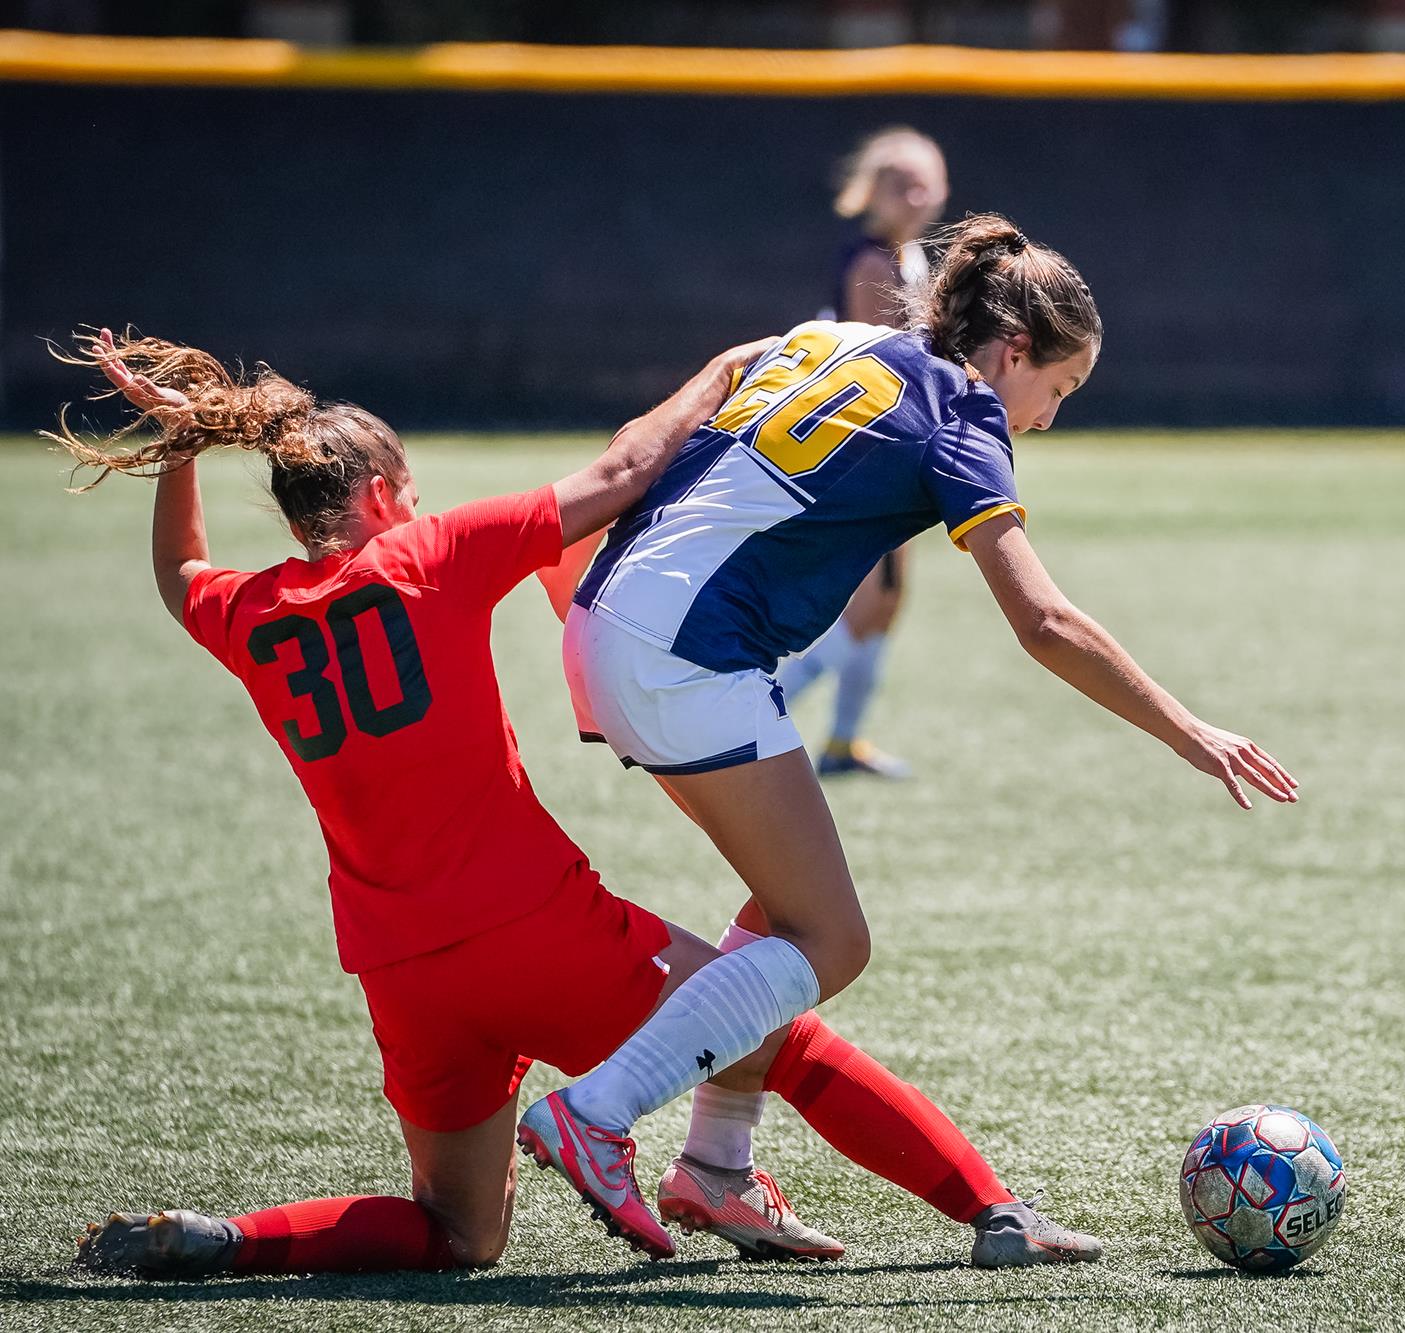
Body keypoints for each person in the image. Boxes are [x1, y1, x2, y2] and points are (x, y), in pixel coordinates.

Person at [55, 329, 1091, 1278]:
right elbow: (621, 474)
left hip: (400, 970)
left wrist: (180, 447)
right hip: (533, 927)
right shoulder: (426, 555)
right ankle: (993, 1206)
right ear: (381, 491)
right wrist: (719, 374)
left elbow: (180, 569)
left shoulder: (247, 611)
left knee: (460, 1232)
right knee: (779, 1027)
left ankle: (228, 1239)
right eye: (408, 490)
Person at [525, 215, 1300, 1246]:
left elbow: (725, 369)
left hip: (612, 618)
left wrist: (590, 519)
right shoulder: (965, 415)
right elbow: (1045, 622)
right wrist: (1186, 728)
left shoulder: (834, 338)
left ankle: (715, 1166)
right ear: (1012, 350)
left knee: (783, 902)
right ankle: (596, 1113)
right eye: (1059, 389)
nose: (1047, 419)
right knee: (831, 940)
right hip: (683, 655)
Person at [780, 126, 952, 779]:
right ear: (871, 191)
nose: (917, 195)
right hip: (865, 453)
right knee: (865, 604)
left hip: (899, 452)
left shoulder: (912, 258)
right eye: (901, 183)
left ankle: (844, 742)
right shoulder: (873, 265)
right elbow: (882, 373)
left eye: (925, 182)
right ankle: (745, 714)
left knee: (885, 602)